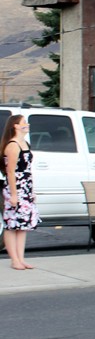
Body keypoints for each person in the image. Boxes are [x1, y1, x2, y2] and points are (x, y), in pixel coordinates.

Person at [2, 115, 41, 270]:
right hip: (15, 187)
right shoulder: (12, 145)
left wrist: (32, 190)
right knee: (12, 224)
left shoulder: (25, 144)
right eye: (24, 122)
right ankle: (14, 260)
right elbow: (10, 172)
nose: (27, 124)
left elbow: (28, 170)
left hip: (25, 187)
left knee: (22, 224)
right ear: (15, 126)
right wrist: (13, 194)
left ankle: (21, 258)